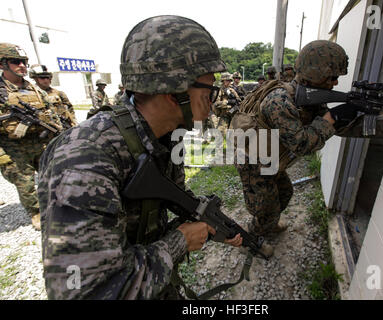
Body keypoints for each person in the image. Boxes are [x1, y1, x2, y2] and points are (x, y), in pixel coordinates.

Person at [38, 15, 242, 300]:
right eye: (209, 89)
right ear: (175, 92)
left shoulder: (167, 136)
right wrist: (179, 242)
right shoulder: (84, 157)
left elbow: (153, 214)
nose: (214, 99)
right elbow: (88, 293)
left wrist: (203, 222)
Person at [231, 40, 363, 255]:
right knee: (266, 208)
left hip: (271, 157)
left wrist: (354, 117)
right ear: (315, 73)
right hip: (254, 161)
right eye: (332, 77)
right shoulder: (281, 101)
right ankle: (250, 239)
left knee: (285, 192)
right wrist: (331, 118)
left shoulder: (306, 97)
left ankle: (269, 223)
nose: (336, 83)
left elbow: (324, 123)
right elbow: (302, 144)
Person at [0, 43, 62, 231]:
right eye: (16, 62)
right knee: (24, 181)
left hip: (41, 141)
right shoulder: (2, 92)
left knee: (52, 175)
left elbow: (51, 112)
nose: (22, 66)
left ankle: (58, 205)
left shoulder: (35, 90)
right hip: (14, 146)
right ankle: (36, 213)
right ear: (2, 64)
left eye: (24, 62)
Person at [29, 64, 77, 129]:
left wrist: (74, 123)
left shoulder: (59, 93)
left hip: (63, 127)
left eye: (48, 77)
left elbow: (70, 110)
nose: (46, 80)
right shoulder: (32, 95)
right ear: (35, 79)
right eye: (42, 78)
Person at [212, 72, 241, 136]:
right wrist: (227, 102)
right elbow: (216, 104)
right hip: (224, 114)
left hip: (233, 114)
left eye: (230, 81)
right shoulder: (219, 90)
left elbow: (238, 100)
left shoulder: (232, 90)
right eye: (227, 80)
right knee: (220, 133)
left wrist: (237, 102)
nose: (229, 82)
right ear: (223, 81)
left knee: (233, 135)